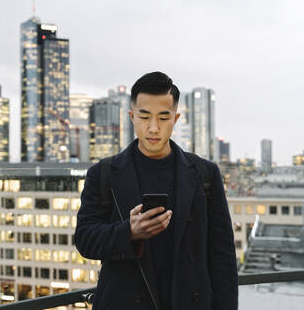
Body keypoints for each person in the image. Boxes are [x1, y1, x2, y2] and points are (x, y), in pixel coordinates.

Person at [74, 71, 238, 310]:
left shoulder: (205, 174)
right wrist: (128, 232)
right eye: (144, 117)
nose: (153, 128)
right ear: (132, 117)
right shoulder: (103, 174)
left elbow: (223, 258)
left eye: (163, 117)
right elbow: (85, 240)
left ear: (176, 118)